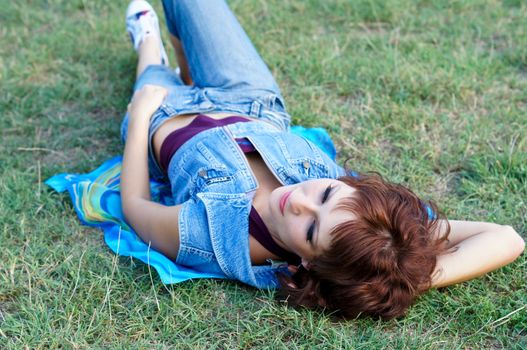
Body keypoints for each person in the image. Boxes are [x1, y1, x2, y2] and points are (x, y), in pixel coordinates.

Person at [120, 0, 525, 319]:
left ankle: (149, 46)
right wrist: (401, 279)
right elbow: (508, 237)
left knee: (151, 74)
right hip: (250, 101)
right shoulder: (373, 230)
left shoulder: (216, 236)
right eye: (327, 194)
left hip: (168, 117)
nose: (298, 201)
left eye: (311, 229)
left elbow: (137, 210)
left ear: (310, 266)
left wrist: (139, 118)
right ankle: (186, 66)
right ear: (347, 184)